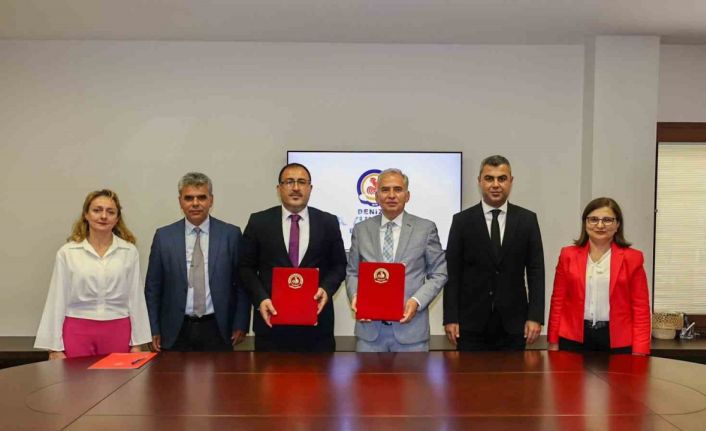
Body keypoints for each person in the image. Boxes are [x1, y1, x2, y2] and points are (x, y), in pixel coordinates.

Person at [239, 163, 347, 352]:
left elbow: (339, 265)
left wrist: (326, 289)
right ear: (279, 188)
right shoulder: (259, 222)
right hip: (271, 325)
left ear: (310, 188)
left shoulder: (328, 222)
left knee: (319, 373)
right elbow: (245, 267)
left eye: (302, 182)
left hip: (317, 328)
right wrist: (260, 299)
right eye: (289, 182)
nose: (296, 187)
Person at [443, 155, 545, 351]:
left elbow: (536, 271)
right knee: (469, 373)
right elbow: (452, 273)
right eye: (489, 178)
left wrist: (535, 316)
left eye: (502, 178)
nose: (496, 185)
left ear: (511, 181)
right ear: (480, 181)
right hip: (470, 324)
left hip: (514, 323)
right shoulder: (462, 221)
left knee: (513, 373)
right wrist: (450, 318)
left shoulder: (527, 220)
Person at [35, 189, 151, 359]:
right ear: (86, 215)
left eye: (110, 212)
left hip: (118, 331)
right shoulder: (68, 252)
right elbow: (57, 299)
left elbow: (136, 298)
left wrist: (138, 343)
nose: (103, 216)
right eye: (97, 210)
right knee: (75, 377)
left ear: (117, 219)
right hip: (77, 331)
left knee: (118, 377)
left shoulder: (129, 251)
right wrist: (54, 348)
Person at [145, 172, 250, 352]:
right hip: (175, 329)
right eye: (189, 198)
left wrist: (241, 323)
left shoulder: (231, 235)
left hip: (218, 328)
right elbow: (153, 287)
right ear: (180, 201)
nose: (195, 203)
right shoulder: (164, 236)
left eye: (201, 197)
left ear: (211, 200)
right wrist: (152, 328)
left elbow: (242, 284)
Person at [346, 168, 447, 352]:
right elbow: (352, 272)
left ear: (407, 196)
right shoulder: (361, 229)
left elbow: (439, 273)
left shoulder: (425, 229)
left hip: (411, 332)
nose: (391, 195)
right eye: (385, 190)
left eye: (398, 189)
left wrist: (416, 301)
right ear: (376, 196)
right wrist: (355, 296)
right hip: (369, 333)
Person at [547, 197, 651, 354]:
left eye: (607, 220)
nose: (600, 225)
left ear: (617, 224)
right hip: (573, 338)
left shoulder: (633, 258)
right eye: (593, 219)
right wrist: (553, 341)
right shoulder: (567, 255)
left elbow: (640, 308)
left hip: (618, 340)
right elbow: (558, 301)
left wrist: (640, 350)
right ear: (585, 223)